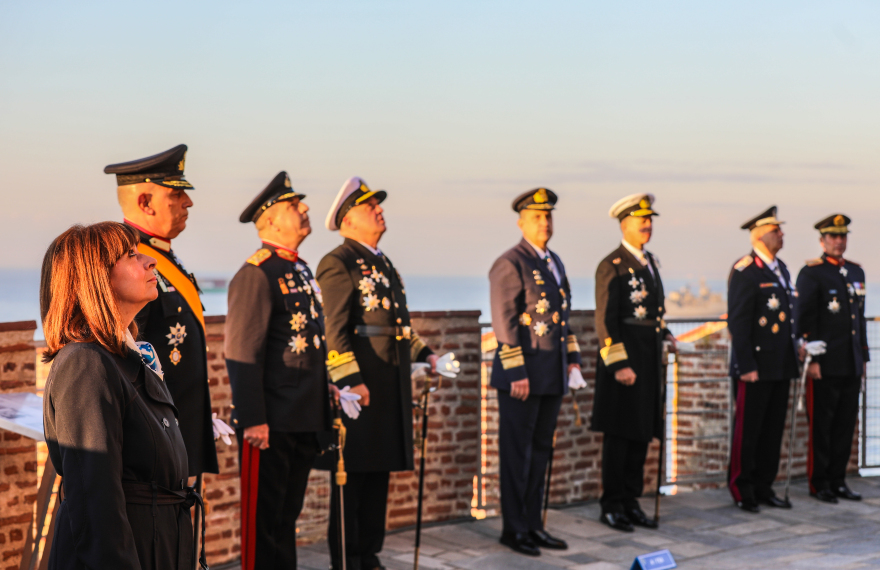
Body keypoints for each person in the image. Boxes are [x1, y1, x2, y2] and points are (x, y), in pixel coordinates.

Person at [41, 222, 204, 570]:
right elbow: (94, 499)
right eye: (131, 255)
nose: (150, 262)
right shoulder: (85, 363)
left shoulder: (124, 356)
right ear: (97, 279)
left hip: (157, 541)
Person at [317, 177, 437, 570]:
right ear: (348, 219)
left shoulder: (383, 262)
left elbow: (399, 325)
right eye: (371, 207)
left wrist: (427, 353)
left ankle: (370, 555)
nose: (380, 211)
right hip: (361, 386)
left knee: (378, 475)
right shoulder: (338, 262)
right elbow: (334, 328)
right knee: (353, 478)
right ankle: (349, 560)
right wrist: (350, 381)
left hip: (390, 383)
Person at [225, 171, 333, 568]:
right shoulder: (257, 273)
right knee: (262, 521)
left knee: (288, 517)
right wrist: (253, 419)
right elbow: (242, 351)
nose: (305, 209)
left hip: (303, 416)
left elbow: (306, 348)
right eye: (294, 205)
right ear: (270, 220)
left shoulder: (300, 269)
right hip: (269, 423)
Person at [105, 144, 219, 478]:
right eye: (176, 195)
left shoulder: (167, 259)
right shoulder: (127, 265)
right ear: (144, 202)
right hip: (153, 444)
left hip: (178, 433)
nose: (188, 202)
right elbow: (123, 355)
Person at [488, 188, 581, 556]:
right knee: (517, 456)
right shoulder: (510, 262)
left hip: (551, 373)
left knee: (541, 452)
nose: (544, 222)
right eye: (536, 216)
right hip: (523, 379)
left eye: (548, 216)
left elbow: (563, 319)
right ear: (521, 222)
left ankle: (534, 525)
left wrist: (572, 360)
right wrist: (515, 373)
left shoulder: (554, 261)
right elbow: (504, 321)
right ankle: (514, 529)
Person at [590, 193, 674, 532]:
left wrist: (666, 335)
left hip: (649, 360)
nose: (647, 225)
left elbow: (653, 313)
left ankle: (631, 500)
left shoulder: (650, 261)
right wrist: (618, 364)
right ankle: (612, 504)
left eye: (649, 220)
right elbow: (605, 320)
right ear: (624, 224)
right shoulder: (611, 265)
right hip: (623, 363)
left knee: (641, 434)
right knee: (620, 436)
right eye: (641, 221)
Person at [726, 206, 799, 512]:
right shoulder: (745, 270)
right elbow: (739, 323)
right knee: (749, 430)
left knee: (772, 430)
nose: (781, 234)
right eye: (775, 230)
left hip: (780, 363)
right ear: (759, 235)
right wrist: (746, 366)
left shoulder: (781, 268)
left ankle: (764, 485)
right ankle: (742, 489)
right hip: (755, 365)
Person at [795, 214, 867, 503]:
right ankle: (819, 482)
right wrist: (811, 360)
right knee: (822, 427)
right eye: (833, 237)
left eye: (842, 236)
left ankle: (839, 480)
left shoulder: (855, 272)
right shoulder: (812, 273)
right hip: (824, 364)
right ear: (822, 240)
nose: (839, 241)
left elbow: (858, 321)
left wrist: (863, 358)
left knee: (844, 426)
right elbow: (803, 318)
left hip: (850, 363)